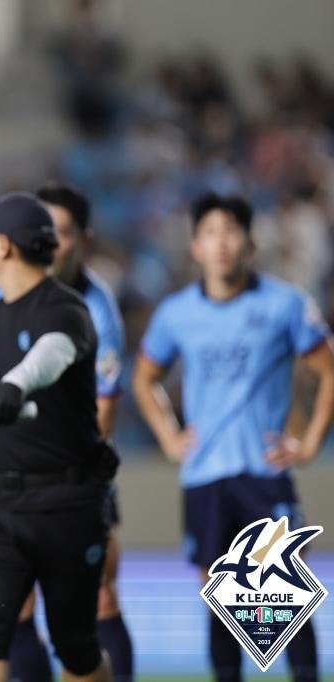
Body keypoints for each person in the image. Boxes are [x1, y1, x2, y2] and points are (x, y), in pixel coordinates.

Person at [132, 192, 334, 682]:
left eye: (231, 231)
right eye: (210, 233)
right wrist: (168, 434)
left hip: (263, 472)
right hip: (205, 474)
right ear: (195, 246)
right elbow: (143, 378)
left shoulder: (284, 303)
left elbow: (327, 371)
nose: (221, 242)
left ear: (251, 243)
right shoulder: (176, 313)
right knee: (219, 600)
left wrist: (308, 442)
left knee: (285, 598)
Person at [0, 192, 113, 682]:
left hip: (66, 504)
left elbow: (51, 353)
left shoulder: (67, 309)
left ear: (2, 246)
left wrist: (17, 383)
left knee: (76, 646)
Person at [7, 183, 132, 682]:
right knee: (14, 604)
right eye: (44, 231)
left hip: (74, 475)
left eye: (62, 232)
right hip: (13, 472)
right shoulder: (7, 288)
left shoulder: (98, 309)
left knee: (97, 596)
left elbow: (105, 408)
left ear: (85, 239)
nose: (52, 243)